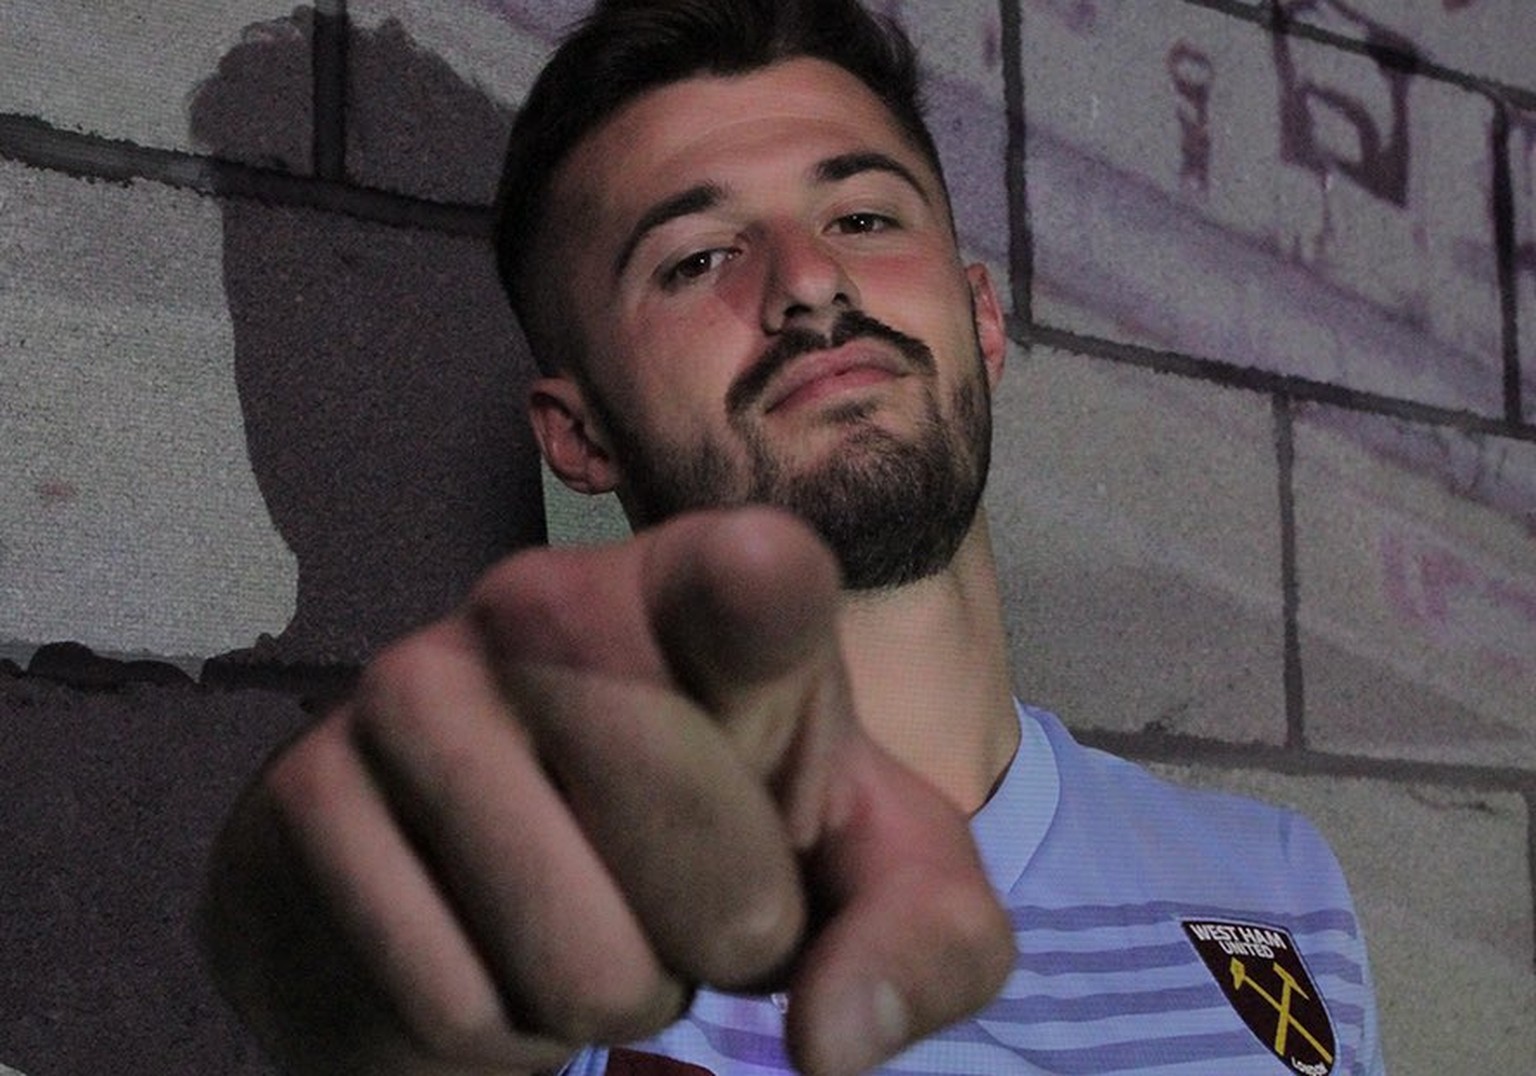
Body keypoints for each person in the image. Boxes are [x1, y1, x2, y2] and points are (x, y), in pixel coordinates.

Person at [201, 1, 1386, 1074]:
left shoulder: (1274, 885)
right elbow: (372, 967)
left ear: (981, 317)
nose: (812, 281)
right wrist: (351, 942)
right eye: (697, 258)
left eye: (862, 215)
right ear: (579, 432)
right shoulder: (570, 945)